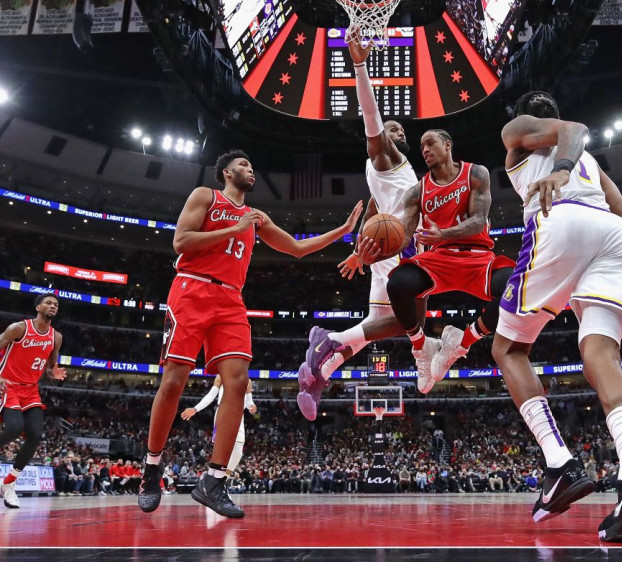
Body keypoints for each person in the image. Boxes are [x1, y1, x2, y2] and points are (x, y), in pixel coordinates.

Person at [138, 149, 362, 518]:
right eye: (243, 165)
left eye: (252, 165)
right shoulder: (205, 196)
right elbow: (181, 242)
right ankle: (152, 465)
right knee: (174, 381)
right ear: (226, 172)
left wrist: (342, 231)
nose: (250, 169)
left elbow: (297, 248)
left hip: (230, 299)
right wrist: (234, 229)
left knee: (238, 383)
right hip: (191, 289)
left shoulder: (256, 217)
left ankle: (213, 480)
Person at [491, 91, 622, 542]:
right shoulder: (592, 166)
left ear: (529, 120)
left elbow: (574, 129)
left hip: (563, 221)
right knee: (601, 357)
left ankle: (560, 463)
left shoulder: (518, 133)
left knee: (509, 348)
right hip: (615, 239)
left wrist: (557, 171)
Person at [297, 35, 425, 420]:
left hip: (384, 247)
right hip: (403, 247)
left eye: (401, 131)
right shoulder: (386, 158)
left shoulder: (379, 175)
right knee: (412, 323)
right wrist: (359, 66)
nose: (398, 134)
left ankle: (317, 377)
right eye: (393, 130)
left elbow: (373, 209)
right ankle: (330, 340)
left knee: (377, 324)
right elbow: (370, 116)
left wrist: (358, 251)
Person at [360, 129, 516, 393]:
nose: (425, 150)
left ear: (448, 144)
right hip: (438, 259)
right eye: (421, 146)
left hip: (477, 256)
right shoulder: (416, 191)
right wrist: (372, 257)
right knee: (397, 283)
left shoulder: (475, 173)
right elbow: (404, 239)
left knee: (515, 290)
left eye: (430, 143)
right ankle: (422, 348)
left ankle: (462, 343)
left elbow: (479, 219)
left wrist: (444, 233)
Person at [0, 293, 66, 509]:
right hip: (8, 384)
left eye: (56, 304)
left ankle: (9, 483)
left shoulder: (56, 337)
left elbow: (49, 366)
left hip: (30, 390)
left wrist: (52, 373)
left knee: (36, 434)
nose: (52, 306)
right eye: (48, 302)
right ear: (38, 307)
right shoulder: (18, 328)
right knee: (14, 428)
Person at [180, 376, 258, 476]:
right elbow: (211, 396)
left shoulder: (247, 380)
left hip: (239, 414)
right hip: (223, 413)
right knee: (220, 451)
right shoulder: (221, 375)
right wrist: (195, 409)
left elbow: (248, 402)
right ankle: (213, 479)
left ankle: (223, 479)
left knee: (238, 453)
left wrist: (252, 407)